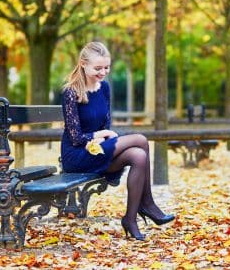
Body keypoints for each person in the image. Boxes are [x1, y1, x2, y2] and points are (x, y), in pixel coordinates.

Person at [61, 41, 174, 241]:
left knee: (139, 155)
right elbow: (75, 137)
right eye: (98, 68)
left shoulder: (104, 88)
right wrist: (98, 135)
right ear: (83, 64)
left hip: (98, 150)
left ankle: (130, 219)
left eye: (106, 67)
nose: (103, 72)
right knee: (140, 139)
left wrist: (103, 134)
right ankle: (147, 204)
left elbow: (106, 124)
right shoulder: (71, 92)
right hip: (77, 155)